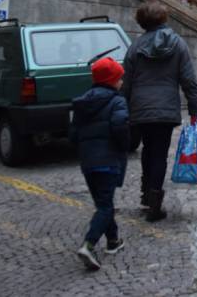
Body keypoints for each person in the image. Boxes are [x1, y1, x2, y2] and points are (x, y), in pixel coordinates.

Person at [122, 0, 197, 221]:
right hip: (166, 108)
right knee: (159, 153)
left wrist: (122, 107)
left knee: (147, 150)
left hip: (140, 107)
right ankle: (155, 203)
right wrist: (195, 108)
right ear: (164, 18)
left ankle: (146, 196)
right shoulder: (178, 44)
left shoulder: (136, 46)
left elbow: (126, 82)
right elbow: (188, 79)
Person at [71, 57, 130, 271]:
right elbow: (120, 127)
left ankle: (113, 241)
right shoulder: (117, 102)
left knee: (103, 204)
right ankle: (88, 244)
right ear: (112, 81)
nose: (122, 82)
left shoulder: (82, 102)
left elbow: (73, 133)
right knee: (105, 206)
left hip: (88, 162)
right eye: (120, 78)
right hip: (109, 160)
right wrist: (125, 145)